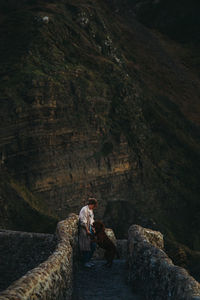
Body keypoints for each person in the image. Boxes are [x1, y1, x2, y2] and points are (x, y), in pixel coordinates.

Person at [78, 198, 98, 268]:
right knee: (86, 246)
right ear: (91, 204)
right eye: (94, 206)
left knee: (93, 245)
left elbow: (92, 220)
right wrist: (87, 230)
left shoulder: (91, 210)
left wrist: (93, 229)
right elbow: (82, 222)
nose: (94, 207)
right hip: (84, 230)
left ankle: (89, 260)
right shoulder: (84, 210)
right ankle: (85, 262)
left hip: (90, 229)